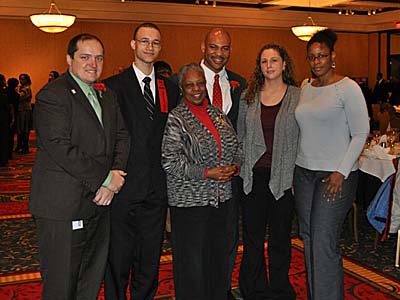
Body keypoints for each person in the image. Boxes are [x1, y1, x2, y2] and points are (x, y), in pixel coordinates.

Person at [29, 33, 130, 300]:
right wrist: (105, 179)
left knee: (90, 279)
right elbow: (60, 147)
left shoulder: (105, 95)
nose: (92, 64)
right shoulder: (52, 95)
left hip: (99, 203)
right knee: (62, 285)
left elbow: (122, 136)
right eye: (85, 57)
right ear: (69, 59)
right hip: (62, 206)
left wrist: (116, 175)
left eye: (98, 58)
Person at [103, 22, 180, 300]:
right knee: (119, 257)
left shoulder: (169, 89)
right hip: (123, 187)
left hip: (157, 189)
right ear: (133, 44)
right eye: (144, 41)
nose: (150, 47)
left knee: (150, 258)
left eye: (155, 43)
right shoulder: (113, 87)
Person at [294, 29, 369, 300]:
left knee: (323, 241)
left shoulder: (348, 88)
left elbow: (361, 133)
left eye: (322, 56)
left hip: (335, 175)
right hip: (303, 173)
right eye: (312, 57)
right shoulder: (305, 87)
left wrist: (341, 171)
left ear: (332, 56)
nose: (316, 62)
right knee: (309, 238)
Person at [162, 63, 243, 300]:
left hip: (221, 201)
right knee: (192, 265)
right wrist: (208, 173)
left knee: (217, 259)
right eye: (190, 85)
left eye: (200, 83)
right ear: (181, 88)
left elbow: (236, 146)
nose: (196, 89)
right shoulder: (177, 118)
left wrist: (234, 167)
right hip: (190, 204)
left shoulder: (217, 114)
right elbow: (170, 161)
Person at [237, 44, 299, 300]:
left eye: (274, 60)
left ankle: (280, 289)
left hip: (284, 177)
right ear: (259, 66)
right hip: (253, 177)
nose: (270, 65)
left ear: (284, 64)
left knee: (280, 238)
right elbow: (240, 136)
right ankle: (254, 288)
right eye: (264, 61)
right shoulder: (247, 96)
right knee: (252, 239)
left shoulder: (299, 96)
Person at [200, 27, 246, 299]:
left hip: (230, 179)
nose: (219, 53)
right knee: (200, 241)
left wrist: (236, 165)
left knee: (228, 239)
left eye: (225, 48)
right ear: (203, 47)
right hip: (199, 180)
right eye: (214, 47)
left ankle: (222, 289)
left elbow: (243, 133)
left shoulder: (240, 84)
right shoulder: (186, 80)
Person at [15, 73, 32, 154]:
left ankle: (24, 146)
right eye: (20, 79)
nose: (21, 80)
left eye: (22, 79)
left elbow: (20, 97)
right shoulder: (21, 88)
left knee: (24, 129)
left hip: (25, 110)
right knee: (20, 129)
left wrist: (16, 91)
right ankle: (19, 145)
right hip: (20, 110)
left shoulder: (27, 88)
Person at [0, 74, 12, 166]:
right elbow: (7, 108)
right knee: (4, 139)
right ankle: (3, 159)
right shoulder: (3, 95)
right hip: (3, 119)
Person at [6, 78, 19, 159]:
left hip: (5, 115)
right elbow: (12, 106)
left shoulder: (5, 91)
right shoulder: (15, 94)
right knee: (10, 136)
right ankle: (9, 153)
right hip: (11, 116)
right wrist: (13, 118)